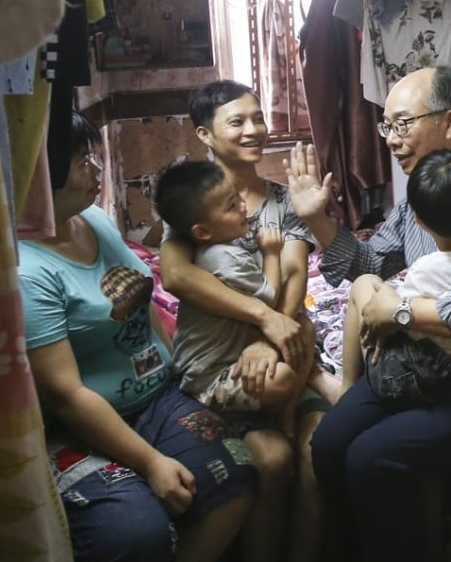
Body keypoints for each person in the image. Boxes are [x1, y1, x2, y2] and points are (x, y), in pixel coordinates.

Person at [286, 65, 451, 561]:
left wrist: (403, 310)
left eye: (403, 124)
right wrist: (318, 220)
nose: (392, 141)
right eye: (387, 127)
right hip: (416, 366)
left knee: (371, 459)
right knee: (329, 444)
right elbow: (368, 264)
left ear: (449, 122)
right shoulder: (414, 198)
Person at [17, 111, 256, 562]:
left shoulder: (93, 219)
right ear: (37, 174)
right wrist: (150, 462)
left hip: (157, 399)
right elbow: (65, 395)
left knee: (237, 471)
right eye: (81, 161)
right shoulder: (28, 270)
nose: (95, 170)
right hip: (81, 426)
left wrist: (177, 374)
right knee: (134, 531)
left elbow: (144, 301)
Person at [159, 80, 334, 562]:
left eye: (257, 117)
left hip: (286, 352)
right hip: (222, 365)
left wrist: (272, 338)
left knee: (315, 456)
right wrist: (263, 321)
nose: (254, 129)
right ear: (205, 135)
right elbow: (175, 275)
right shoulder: (195, 199)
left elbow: (296, 275)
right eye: (237, 121)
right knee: (272, 462)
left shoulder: (282, 200)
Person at [154, 160, 311, 434]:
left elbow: (297, 273)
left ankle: (282, 413)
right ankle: (266, 415)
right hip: (209, 377)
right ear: (201, 231)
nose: (242, 205)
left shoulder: (212, 242)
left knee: (303, 328)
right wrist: (271, 253)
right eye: (231, 205)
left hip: (229, 352)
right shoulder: (225, 257)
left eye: (238, 196)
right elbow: (269, 299)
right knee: (282, 378)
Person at [337, 148, 451, 407]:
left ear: (418, 221)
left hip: (419, 376)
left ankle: (346, 387)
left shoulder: (427, 269)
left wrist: (386, 294)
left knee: (364, 283)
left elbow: (387, 316)